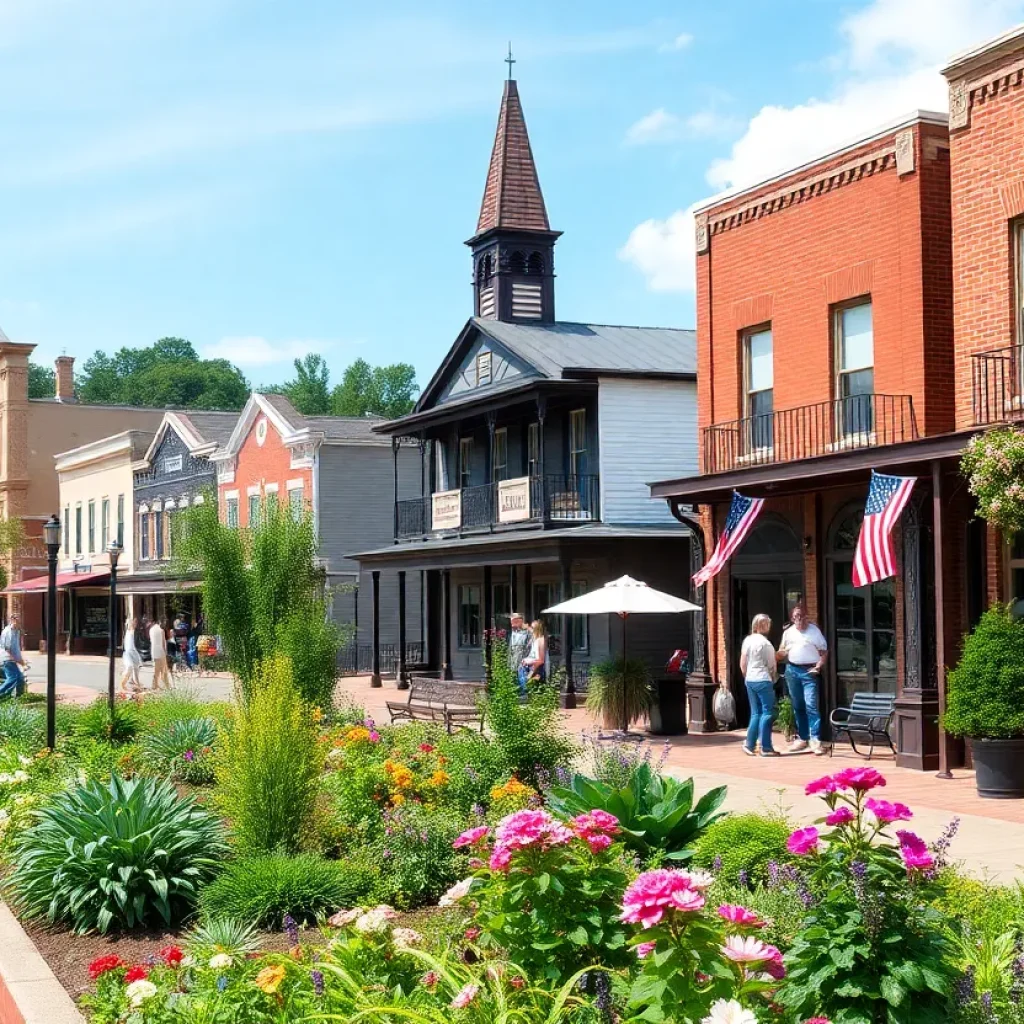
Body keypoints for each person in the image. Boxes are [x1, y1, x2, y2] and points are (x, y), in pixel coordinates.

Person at [778, 603, 828, 755]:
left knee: (811, 704)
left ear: (806, 615)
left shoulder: (814, 631)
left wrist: (818, 666)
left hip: (809, 671)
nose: (799, 619)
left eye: (801, 615)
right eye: (795, 616)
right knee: (798, 705)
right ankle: (802, 737)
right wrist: (778, 654)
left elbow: (824, 652)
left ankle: (815, 739)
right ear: (792, 619)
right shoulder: (788, 633)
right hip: (792, 670)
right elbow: (781, 651)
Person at [740, 614, 779, 757]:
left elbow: (742, 663)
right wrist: (773, 678)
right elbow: (772, 666)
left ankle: (749, 744)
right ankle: (766, 747)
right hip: (763, 679)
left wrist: (746, 676)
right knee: (768, 713)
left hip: (750, 679)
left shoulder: (747, 640)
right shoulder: (766, 644)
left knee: (756, 713)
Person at [0, 612, 27, 699]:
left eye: (20, 620)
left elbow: (15, 648)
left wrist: (20, 659)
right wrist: (17, 660)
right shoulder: (8, 632)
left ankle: (19, 697)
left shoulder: (16, 631)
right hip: (6, 659)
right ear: (12, 620)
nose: (19, 622)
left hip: (12, 659)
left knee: (20, 678)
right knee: (13, 678)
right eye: (17, 620)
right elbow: (7, 649)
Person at [507, 611, 531, 694]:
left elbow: (529, 648)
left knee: (523, 682)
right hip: (513, 662)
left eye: (513, 622)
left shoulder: (528, 632)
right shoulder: (512, 632)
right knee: (514, 682)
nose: (512, 625)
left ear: (520, 621)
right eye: (511, 622)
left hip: (523, 662)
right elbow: (511, 649)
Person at [521, 619, 550, 685]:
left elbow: (540, 660)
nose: (531, 629)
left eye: (533, 628)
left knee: (533, 690)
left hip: (536, 670)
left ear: (537, 629)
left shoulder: (540, 640)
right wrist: (527, 627)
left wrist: (530, 674)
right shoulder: (536, 638)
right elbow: (531, 631)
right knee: (528, 691)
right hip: (531, 669)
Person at [119, 616, 143, 693]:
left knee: (136, 670)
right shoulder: (129, 631)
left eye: (135, 623)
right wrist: (131, 622)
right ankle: (122, 685)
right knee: (129, 667)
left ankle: (137, 686)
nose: (134, 624)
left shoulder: (135, 632)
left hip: (134, 653)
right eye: (133, 623)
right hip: (128, 653)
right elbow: (131, 626)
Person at [149, 617, 171, 690]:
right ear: (160, 623)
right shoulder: (161, 631)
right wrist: (165, 653)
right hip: (161, 652)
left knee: (156, 670)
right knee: (164, 670)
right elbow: (163, 644)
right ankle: (167, 686)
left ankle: (154, 685)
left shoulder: (151, 630)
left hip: (154, 652)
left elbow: (151, 641)